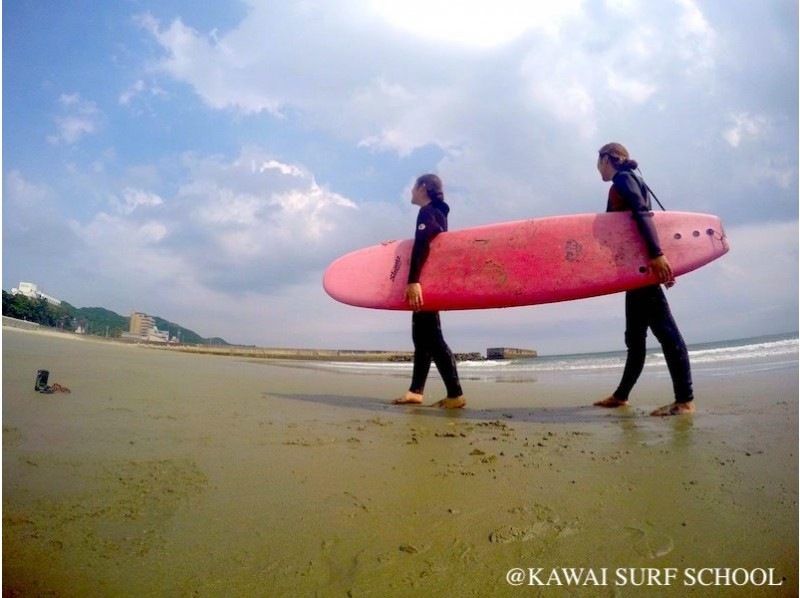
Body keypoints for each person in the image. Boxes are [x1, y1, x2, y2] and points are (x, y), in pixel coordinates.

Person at [593, 143, 695, 416]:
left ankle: (684, 400)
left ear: (607, 159)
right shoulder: (630, 180)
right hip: (636, 272)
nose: (597, 167)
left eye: (598, 161)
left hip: (642, 270)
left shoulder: (623, 179)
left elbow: (642, 214)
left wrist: (658, 256)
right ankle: (621, 396)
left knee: (666, 332)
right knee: (635, 339)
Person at [392, 174, 466, 409]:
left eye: (413, 187)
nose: (411, 191)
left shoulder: (428, 212)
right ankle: (416, 391)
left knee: (432, 338)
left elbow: (423, 244)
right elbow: (426, 244)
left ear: (423, 187)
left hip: (424, 284)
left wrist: (413, 281)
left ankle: (455, 394)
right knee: (422, 339)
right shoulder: (437, 213)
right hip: (430, 284)